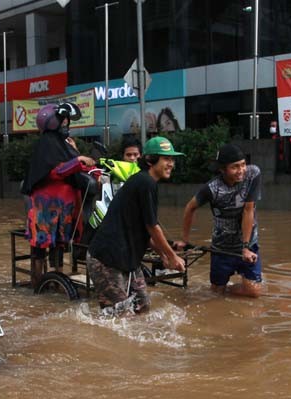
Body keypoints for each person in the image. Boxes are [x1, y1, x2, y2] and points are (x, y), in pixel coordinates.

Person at [87, 136, 186, 315]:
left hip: (127, 259)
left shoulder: (146, 183)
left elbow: (145, 231)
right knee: (120, 318)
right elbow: (153, 227)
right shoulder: (145, 182)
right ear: (150, 160)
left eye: (172, 159)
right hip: (106, 260)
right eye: (166, 159)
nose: (171, 164)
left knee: (143, 307)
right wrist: (171, 256)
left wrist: (162, 254)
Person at [20, 102, 96, 287]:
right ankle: (38, 283)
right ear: (54, 122)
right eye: (64, 120)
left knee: (59, 245)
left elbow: (83, 167)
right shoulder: (46, 144)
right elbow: (55, 171)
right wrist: (78, 160)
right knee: (40, 246)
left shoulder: (65, 144)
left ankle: (57, 280)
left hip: (65, 208)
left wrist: (80, 157)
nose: (67, 124)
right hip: (46, 209)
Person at [175, 144, 263, 298]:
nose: (241, 170)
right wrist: (184, 239)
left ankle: (230, 290)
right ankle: (220, 291)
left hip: (249, 245)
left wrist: (246, 247)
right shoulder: (212, 188)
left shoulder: (252, 174)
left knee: (254, 291)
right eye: (235, 167)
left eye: (243, 164)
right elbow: (190, 208)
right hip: (221, 248)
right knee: (216, 293)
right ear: (222, 169)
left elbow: (248, 210)